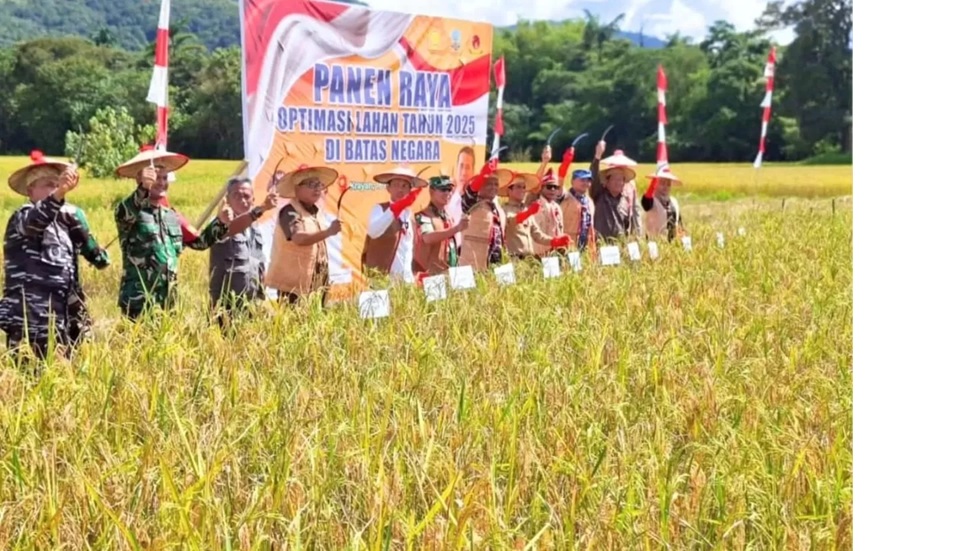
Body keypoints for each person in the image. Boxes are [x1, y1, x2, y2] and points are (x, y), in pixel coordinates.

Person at [114, 146, 249, 320]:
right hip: (138, 301)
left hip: (169, 302)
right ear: (140, 179)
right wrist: (143, 189)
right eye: (156, 177)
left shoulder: (171, 216)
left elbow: (199, 242)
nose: (161, 182)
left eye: (164, 178)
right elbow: (125, 212)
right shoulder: (130, 212)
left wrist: (221, 222)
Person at [0, 150, 109, 362]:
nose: (55, 189)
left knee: (67, 374)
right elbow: (36, 221)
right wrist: (59, 194)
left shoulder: (65, 221)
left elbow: (92, 257)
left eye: (56, 184)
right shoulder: (22, 217)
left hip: (62, 314)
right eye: (48, 185)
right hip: (31, 317)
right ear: (31, 191)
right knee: (33, 378)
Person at [264, 163, 342, 305]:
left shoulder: (316, 212)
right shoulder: (289, 212)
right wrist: (328, 232)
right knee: (295, 322)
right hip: (294, 286)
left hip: (317, 282)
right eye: (311, 184)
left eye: (319, 184)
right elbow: (298, 238)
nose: (317, 188)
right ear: (297, 189)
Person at [208, 176, 279, 329]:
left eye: (246, 196)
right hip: (226, 308)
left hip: (251, 304)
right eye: (236, 195)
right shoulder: (220, 225)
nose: (242, 200)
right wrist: (262, 208)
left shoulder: (255, 229)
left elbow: (259, 265)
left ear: (253, 199)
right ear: (227, 199)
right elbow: (232, 228)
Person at [361, 166, 428, 282]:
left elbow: (410, 249)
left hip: (405, 282)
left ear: (410, 190)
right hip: (382, 280)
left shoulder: (410, 216)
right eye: (396, 185)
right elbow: (373, 232)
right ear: (388, 188)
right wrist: (395, 209)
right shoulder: (380, 209)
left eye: (404, 186)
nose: (400, 189)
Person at [499, 171, 570, 260]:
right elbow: (512, 221)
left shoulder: (526, 209)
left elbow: (537, 234)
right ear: (509, 190)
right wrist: (528, 213)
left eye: (524, 187)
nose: (522, 190)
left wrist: (554, 241)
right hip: (513, 258)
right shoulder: (504, 210)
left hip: (529, 259)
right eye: (518, 187)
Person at [413, 176, 469, 277]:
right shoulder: (423, 215)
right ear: (431, 191)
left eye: (449, 189)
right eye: (443, 189)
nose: (447, 193)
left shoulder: (448, 215)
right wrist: (456, 229)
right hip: (431, 274)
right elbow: (427, 238)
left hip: (451, 272)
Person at [459, 163, 511, 271]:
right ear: (480, 186)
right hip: (472, 264)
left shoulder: (498, 209)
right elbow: (470, 192)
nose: (493, 187)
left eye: (496, 184)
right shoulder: (471, 203)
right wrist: (482, 176)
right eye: (488, 184)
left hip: (496, 263)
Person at [589, 142, 640, 241]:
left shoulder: (625, 201)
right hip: (601, 246)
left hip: (619, 246)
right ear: (607, 182)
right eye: (615, 179)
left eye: (621, 180)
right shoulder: (600, 195)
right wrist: (597, 156)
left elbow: (627, 226)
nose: (619, 182)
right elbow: (593, 177)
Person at [641, 163, 685, 242]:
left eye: (668, 184)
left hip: (673, 244)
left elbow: (679, 224)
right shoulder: (651, 201)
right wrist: (654, 181)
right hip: (654, 244)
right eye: (662, 183)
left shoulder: (674, 201)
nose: (665, 187)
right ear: (656, 184)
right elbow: (646, 200)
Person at [528, 167, 566, 258]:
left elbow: (560, 229)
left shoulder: (557, 207)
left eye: (555, 187)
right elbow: (534, 234)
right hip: (540, 254)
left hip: (556, 252)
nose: (552, 190)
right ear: (541, 188)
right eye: (549, 187)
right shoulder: (536, 206)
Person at [557, 168, 596, 252]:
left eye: (588, 180)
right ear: (572, 181)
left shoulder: (589, 201)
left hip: (586, 244)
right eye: (582, 180)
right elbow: (559, 186)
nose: (585, 183)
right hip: (567, 243)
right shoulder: (565, 196)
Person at [444, 146, 476, 249]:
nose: (464, 173)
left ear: (473, 171)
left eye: (467, 167)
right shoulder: (446, 202)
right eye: (461, 166)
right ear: (456, 167)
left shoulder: (478, 203)